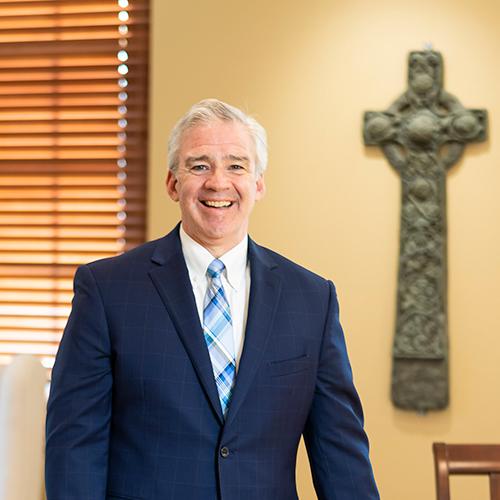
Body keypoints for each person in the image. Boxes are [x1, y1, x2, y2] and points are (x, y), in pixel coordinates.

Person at [45, 99, 379, 500]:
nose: (218, 183)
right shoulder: (106, 290)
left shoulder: (312, 300)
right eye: (199, 165)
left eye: (237, 165)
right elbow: (74, 448)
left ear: (258, 184)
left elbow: (341, 457)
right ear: (173, 183)